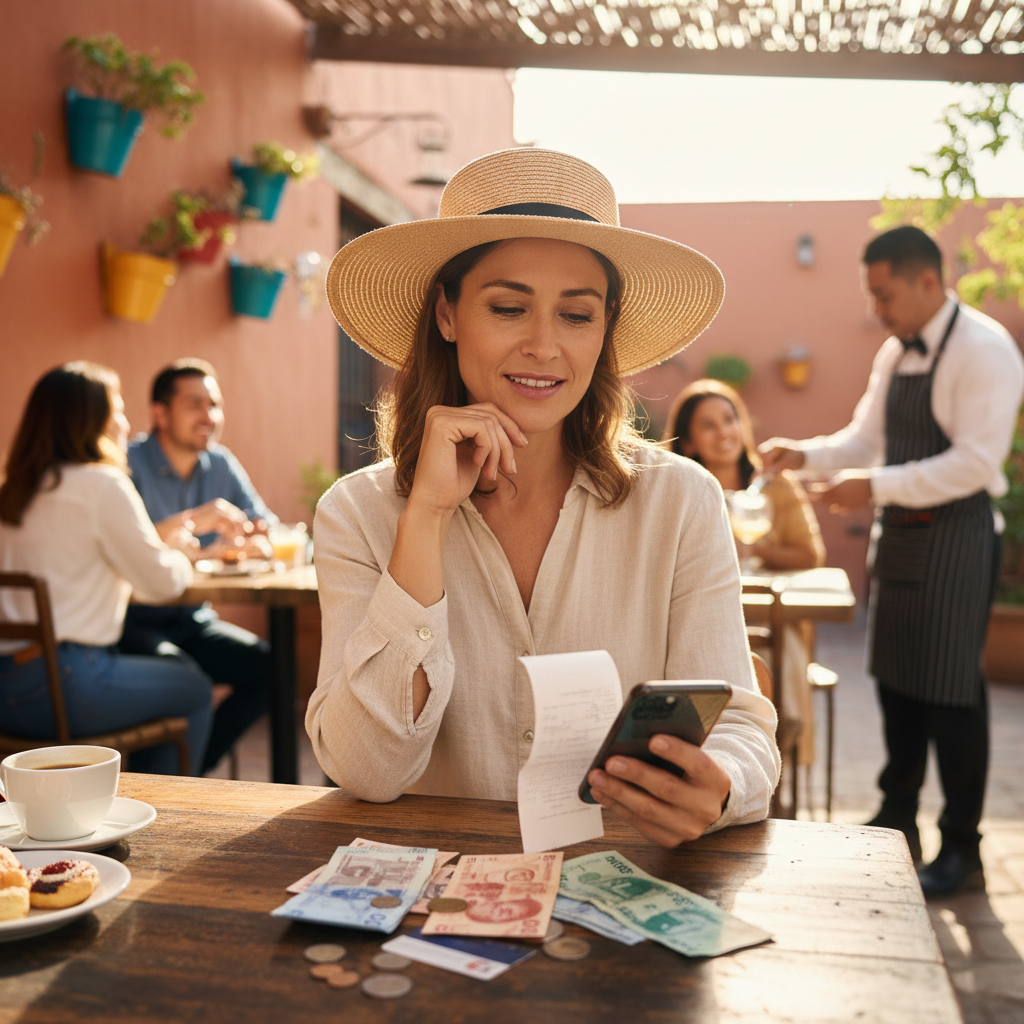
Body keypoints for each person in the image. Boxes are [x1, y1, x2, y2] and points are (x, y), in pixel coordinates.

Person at [307, 147, 781, 849]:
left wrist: (721, 785)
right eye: (508, 307)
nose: (543, 346)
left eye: (576, 315)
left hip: (620, 881)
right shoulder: (358, 514)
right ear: (447, 314)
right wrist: (426, 519)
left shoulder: (682, 502)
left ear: (606, 327)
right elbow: (366, 770)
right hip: (437, 894)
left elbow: (740, 727)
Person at [761, 225, 1024, 895]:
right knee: (897, 683)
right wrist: (805, 454)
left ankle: (962, 846)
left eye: (884, 295)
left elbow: (976, 463)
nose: (876, 310)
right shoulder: (893, 352)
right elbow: (864, 440)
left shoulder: (986, 350)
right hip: (901, 537)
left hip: (958, 538)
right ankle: (896, 817)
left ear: (927, 281)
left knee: (952, 694)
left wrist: (873, 487)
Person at [0, 362, 212, 775]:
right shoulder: (102, 485)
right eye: (118, 410)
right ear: (91, 420)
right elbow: (162, 584)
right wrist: (181, 555)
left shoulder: (13, 488)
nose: (126, 425)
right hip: (67, 684)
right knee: (194, 688)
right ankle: (158, 804)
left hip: (7, 690)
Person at [118, 359, 273, 775]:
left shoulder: (220, 463)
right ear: (160, 413)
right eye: (195, 405)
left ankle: (191, 772)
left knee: (272, 669)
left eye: (214, 405)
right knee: (185, 679)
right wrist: (194, 520)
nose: (209, 416)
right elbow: (122, 548)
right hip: (132, 622)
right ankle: (164, 781)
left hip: (193, 619)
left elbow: (266, 526)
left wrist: (253, 539)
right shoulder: (125, 464)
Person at [664, 378, 825, 767]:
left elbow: (810, 554)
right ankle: (717, 754)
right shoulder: (679, 493)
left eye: (729, 419)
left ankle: (781, 740)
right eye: (708, 425)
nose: (724, 432)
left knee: (780, 643)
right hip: (700, 623)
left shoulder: (775, 485)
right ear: (689, 443)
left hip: (769, 620)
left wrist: (755, 550)